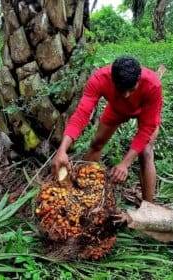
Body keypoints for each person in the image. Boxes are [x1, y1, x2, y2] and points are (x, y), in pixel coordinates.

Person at [52, 56, 163, 202]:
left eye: (132, 89)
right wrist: (62, 149)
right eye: (121, 90)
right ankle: (86, 194)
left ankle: (149, 208)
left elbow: (147, 128)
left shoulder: (152, 85)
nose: (126, 95)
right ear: (112, 79)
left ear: (139, 79)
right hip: (117, 110)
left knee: (146, 151)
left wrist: (125, 164)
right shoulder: (99, 79)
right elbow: (81, 115)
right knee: (97, 143)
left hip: (145, 112)